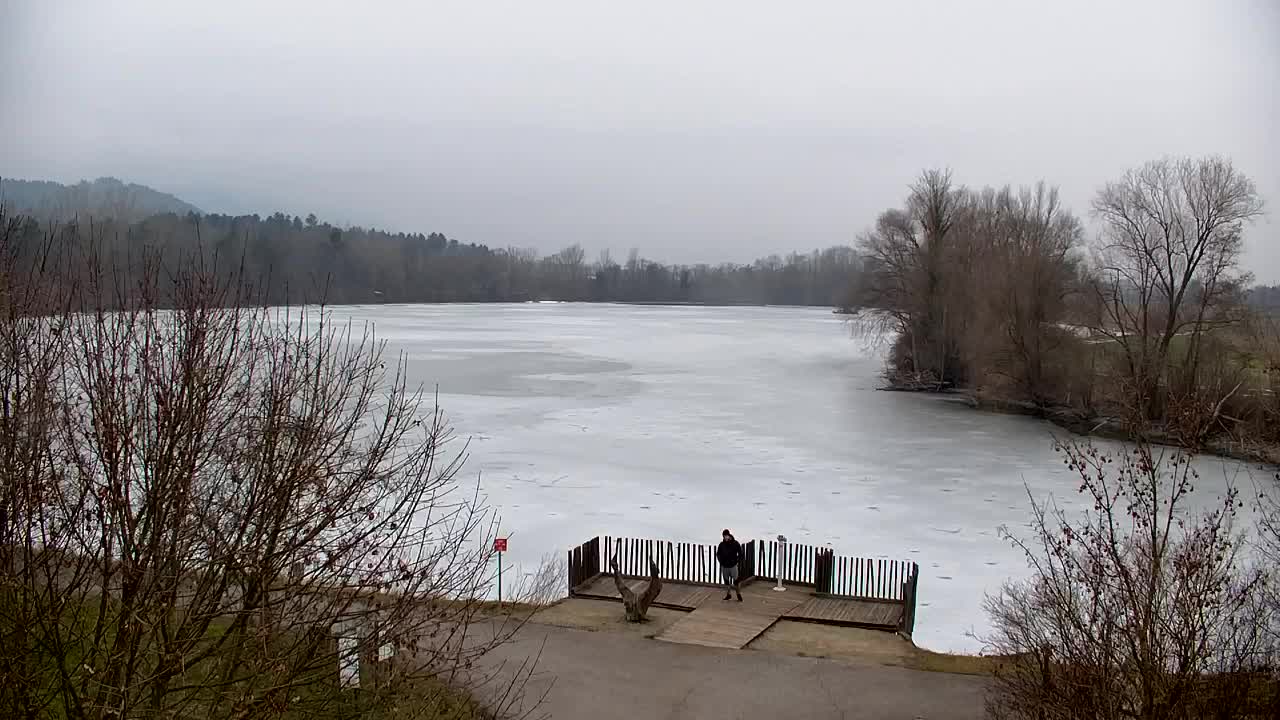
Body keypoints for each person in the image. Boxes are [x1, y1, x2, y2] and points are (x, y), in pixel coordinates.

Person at [716, 529, 743, 601]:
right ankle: (728, 594)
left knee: (736, 581)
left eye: (726, 536)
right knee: (726, 581)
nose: (725, 537)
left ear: (729, 535)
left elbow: (740, 553)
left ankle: (738, 594)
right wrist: (721, 562)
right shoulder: (721, 545)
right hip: (725, 566)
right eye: (724, 536)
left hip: (733, 566)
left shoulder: (735, 543)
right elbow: (718, 554)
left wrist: (737, 560)